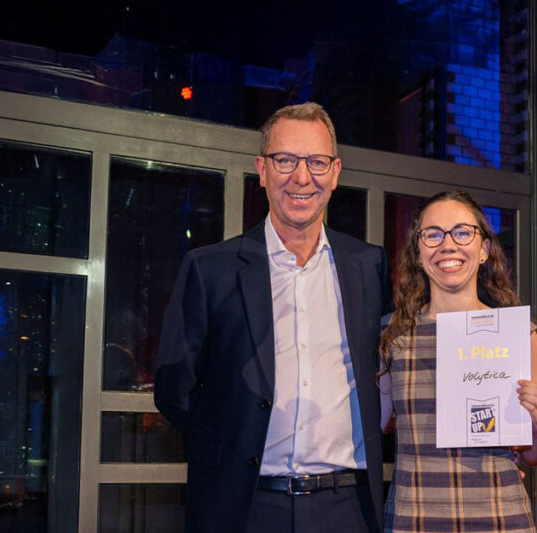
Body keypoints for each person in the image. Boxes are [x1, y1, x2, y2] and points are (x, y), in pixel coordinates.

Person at [154, 102, 391, 533]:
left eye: (317, 162)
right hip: (245, 508)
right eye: (285, 160)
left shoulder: (371, 267)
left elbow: (399, 368)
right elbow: (175, 389)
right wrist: (236, 433)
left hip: (350, 508)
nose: (302, 177)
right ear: (262, 171)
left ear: (335, 173)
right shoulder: (210, 269)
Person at [378, 191, 537, 532]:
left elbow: (533, 454)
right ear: (418, 252)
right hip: (413, 521)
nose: (448, 245)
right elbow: (377, 427)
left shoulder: (517, 335)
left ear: (484, 249)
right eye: (433, 234)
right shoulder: (392, 333)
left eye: (462, 232)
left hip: (500, 519)